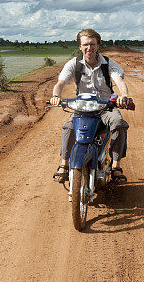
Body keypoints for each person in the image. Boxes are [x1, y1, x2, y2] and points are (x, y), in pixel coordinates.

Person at [50, 29, 130, 184]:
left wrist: (124, 96)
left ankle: (116, 166)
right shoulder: (74, 64)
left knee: (118, 124)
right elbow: (60, 83)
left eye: (92, 44)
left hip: (105, 107)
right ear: (80, 46)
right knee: (68, 127)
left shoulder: (108, 64)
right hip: (82, 109)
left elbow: (119, 81)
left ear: (98, 45)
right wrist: (55, 96)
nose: (89, 48)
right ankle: (64, 164)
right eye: (85, 44)